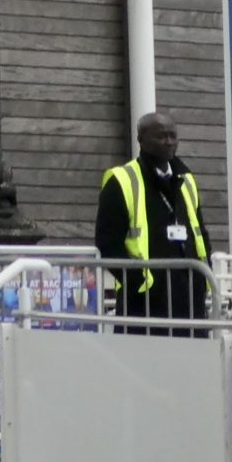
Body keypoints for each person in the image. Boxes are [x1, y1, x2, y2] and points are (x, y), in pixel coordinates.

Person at [95, 114, 210, 327]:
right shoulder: (121, 180)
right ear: (141, 140)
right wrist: (140, 283)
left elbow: (200, 234)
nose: (168, 142)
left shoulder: (186, 180)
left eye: (173, 136)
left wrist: (203, 281)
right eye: (161, 136)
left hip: (189, 300)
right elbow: (107, 243)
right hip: (144, 304)